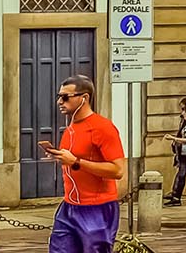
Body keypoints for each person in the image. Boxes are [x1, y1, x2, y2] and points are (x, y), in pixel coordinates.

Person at [40, 75, 126, 253]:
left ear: (84, 98)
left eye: (65, 97)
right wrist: (60, 158)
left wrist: (76, 162)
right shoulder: (71, 128)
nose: (59, 102)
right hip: (69, 206)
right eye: (59, 96)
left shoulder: (103, 128)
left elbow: (118, 170)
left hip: (97, 209)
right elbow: (74, 161)